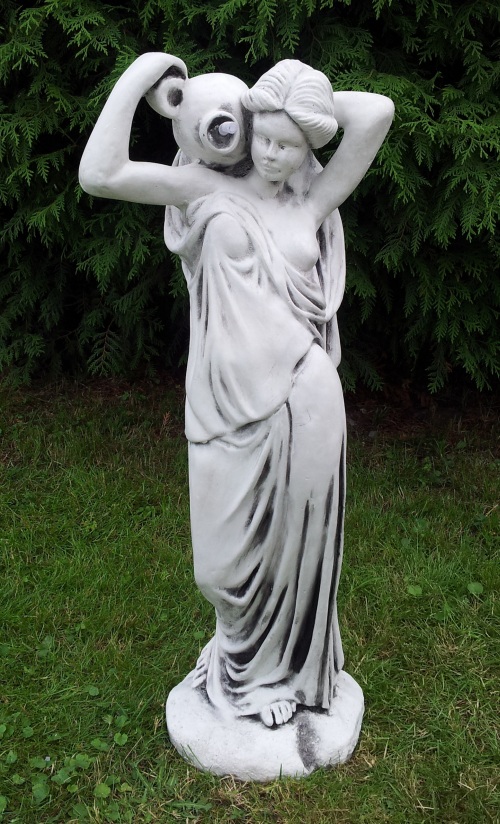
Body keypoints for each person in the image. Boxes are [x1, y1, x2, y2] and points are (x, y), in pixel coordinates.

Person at [80, 54, 394, 729]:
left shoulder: (313, 201)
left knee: (301, 551)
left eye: (290, 145)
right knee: (219, 570)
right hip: (225, 401)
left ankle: (274, 679)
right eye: (265, 138)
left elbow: (376, 113)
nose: (275, 154)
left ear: (307, 146)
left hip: (307, 394)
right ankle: (242, 660)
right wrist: (140, 76)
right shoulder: (200, 186)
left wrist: (294, 102)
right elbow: (100, 175)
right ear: (247, 129)